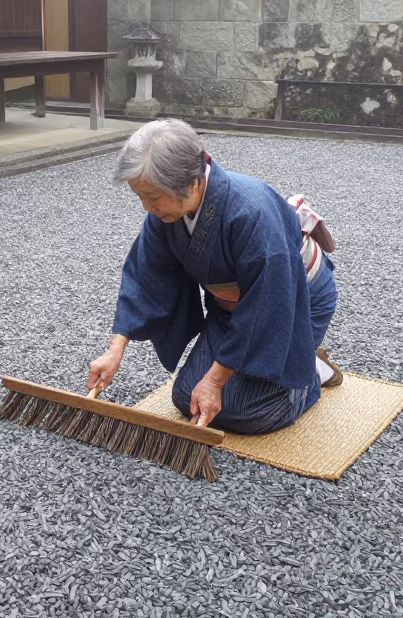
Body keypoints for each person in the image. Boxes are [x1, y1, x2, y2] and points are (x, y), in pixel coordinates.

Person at [87, 119, 341, 434]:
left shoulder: (252, 212)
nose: (146, 207)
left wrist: (215, 380)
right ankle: (288, 365)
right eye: (140, 196)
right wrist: (114, 350)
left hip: (294, 306)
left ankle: (309, 374)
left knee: (252, 413)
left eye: (152, 196)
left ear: (192, 182)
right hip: (231, 308)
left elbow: (268, 305)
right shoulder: (164, 215)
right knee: (186, 396)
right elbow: (146, 277)